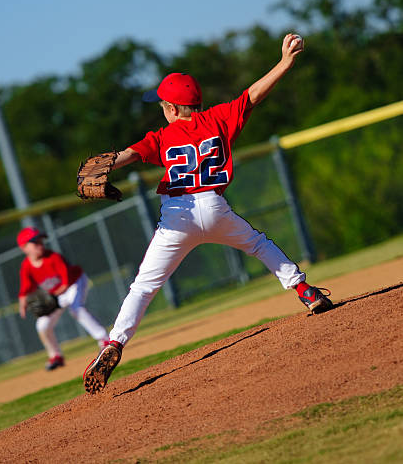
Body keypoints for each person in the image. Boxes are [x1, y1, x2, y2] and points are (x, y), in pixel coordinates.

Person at [83, 33, 332, 394]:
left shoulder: (162, 135)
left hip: (177, 217)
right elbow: (253, 95)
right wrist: (285, 62)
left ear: (169, 108)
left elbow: (130, 155)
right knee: (260, 245)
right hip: (216, 208)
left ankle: (114, 344)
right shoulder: (218, 118)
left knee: (144, 286)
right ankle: (304, 290)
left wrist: (106, 166)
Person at [17, 227, 110, 370]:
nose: (40, 245)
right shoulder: (26, 266)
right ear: (24, 248)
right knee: (42, 325)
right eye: (35, 243)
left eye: (41, 241)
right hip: (56, 295)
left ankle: (104, 340)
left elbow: (66, 283)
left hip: (75, 283)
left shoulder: (53, 257)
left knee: (76, 309)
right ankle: (56, 356)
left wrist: (53, 299)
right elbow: (25, 289)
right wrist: (22, 305)